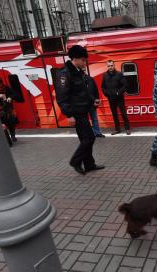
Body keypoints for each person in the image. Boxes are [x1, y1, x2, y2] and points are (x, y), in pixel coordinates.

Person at [55, 45, 105, 175]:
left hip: (84, 109)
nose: (85, 62)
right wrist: (69, 115)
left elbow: (83, 91)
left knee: (85, 139)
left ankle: (89, 164)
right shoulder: (65, 74)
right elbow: (62, 97)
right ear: (75, 59)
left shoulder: (78, 72)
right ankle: (75, 161)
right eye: (83, 60)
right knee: (89, 138)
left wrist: (92, 100)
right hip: (76, 113)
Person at [101, 60, 131, 135]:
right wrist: (107, 94)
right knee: (114, 114)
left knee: (123, 113)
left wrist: (118, 92)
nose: (110, 67)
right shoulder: (105, 75)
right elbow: (103, 87)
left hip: (119, 98)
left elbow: (125, 85)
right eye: (109, 66)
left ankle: (127, 128)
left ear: (114, 66)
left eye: (111, 65)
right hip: (111, 98)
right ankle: (117, 129)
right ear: (107, 66)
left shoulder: (119, 74)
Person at [0, 76, 18, 142]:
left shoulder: (6, 87)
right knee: (1, 123)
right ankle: (5, 137)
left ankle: (13, 135)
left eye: (0, 83)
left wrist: (10, 97)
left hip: (7, 108)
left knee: (11, 122)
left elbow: (14, 94)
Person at [85, 71, 104, 138]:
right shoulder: (78, 81)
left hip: (92, 103)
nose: (83, 71)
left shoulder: (90, 79)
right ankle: (88, 134)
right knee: (85, 120)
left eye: (84, 70)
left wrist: (97, 99)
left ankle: (97, 133)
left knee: (94, 119)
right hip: (84, 104)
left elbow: (95, 90)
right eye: (82, 70)